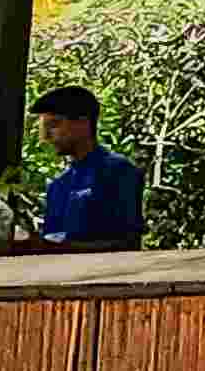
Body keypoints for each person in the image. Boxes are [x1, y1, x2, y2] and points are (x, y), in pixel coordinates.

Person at [15, 84, 145, 253]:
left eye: (54, 125)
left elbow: (129, 244)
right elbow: (53, 240)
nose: (45, 136)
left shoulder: (119, 171)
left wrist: (57, 248)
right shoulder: (58, 185)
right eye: (44, 128)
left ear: (83, 123)